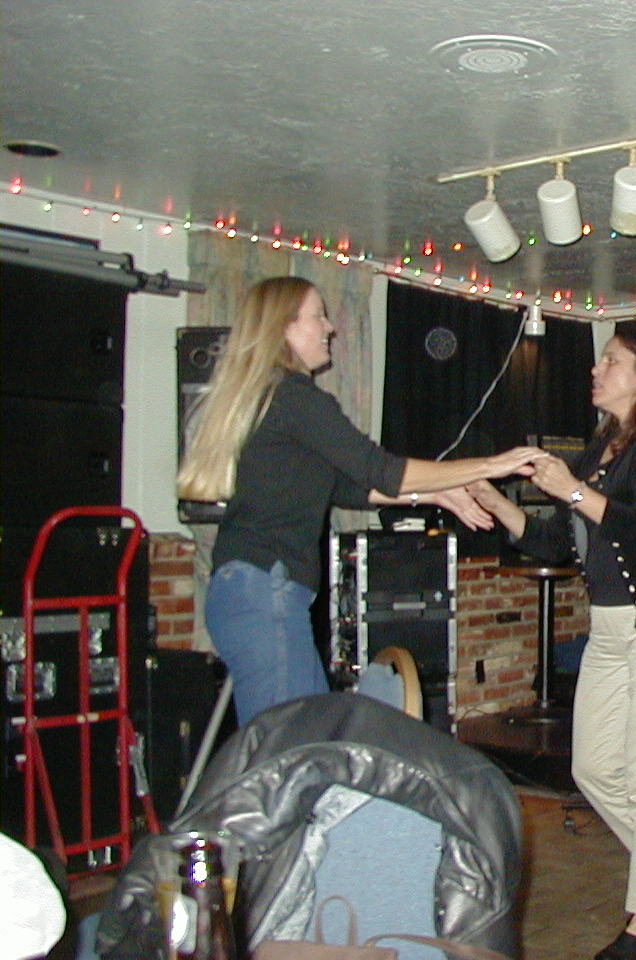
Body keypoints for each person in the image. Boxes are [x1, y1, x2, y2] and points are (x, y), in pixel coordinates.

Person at [176, 276, 543, 725]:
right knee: (291, 742)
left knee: (300, 734)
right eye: (318, 317)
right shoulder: (295, 397)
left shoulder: (272, 398)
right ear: (285, 327)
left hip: (249, 589)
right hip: (264, 590)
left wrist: (438, 493)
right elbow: (380, 470)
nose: (329, 327)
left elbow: (347, 487)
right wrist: (488, 465)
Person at [467, 326, 636, 960]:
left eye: (611, 360)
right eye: (600, 359)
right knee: (594, 768)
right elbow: (557, 540)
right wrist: (495, 500)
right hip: (610, 629)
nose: (596, 369)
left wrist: (572, 489)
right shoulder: (600, 446)